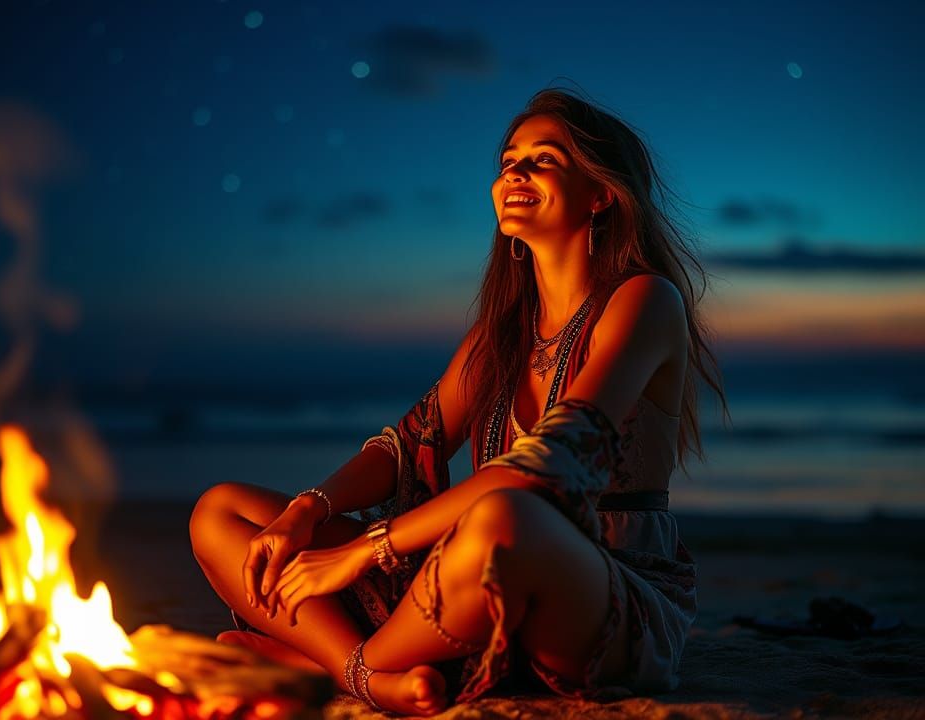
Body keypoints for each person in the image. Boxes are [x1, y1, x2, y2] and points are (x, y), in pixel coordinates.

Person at [189, 87, 727, 716]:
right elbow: (405, 445)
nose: (516, 173)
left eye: (543, 160)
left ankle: (345, 669)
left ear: (601, 193)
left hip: (602, 588)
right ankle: (364, 670)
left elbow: (547, 468)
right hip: (468, 573)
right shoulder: (501, 334)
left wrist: (364, 550)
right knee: (222, 511)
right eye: (508, 161)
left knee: (503, 520)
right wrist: (309, 509)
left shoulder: (644, 300)